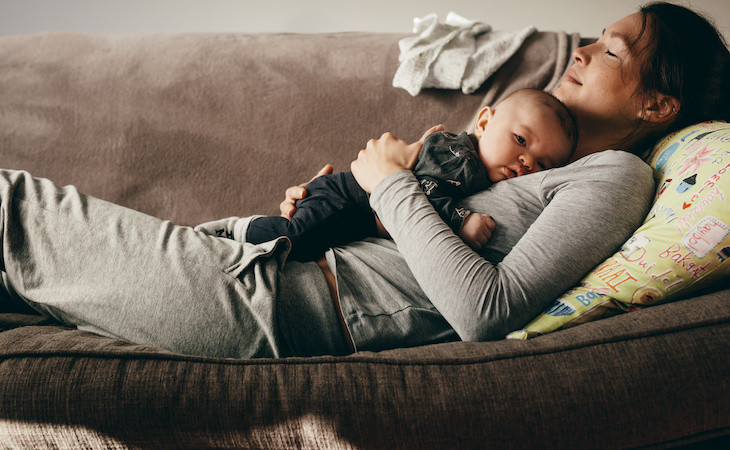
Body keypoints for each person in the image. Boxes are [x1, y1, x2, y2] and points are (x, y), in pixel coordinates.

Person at [1, 2, 728, 359]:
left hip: (275, 306)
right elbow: (412, 231)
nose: (583, 49)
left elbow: (485, 310)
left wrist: (387, 185)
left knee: (10, 204)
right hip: (264, 264)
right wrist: (336, 204)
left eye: (611, 50)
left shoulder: (616, 178)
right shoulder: (535, 155)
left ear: (656, 105)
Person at [195, 89, 577, 261]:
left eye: (543, 164)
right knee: (296, 239)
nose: (527, 162)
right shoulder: (460, 157)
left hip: (358, 211)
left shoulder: (479, 171)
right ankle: (231, 232)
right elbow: (422, 192)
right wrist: (461, 220)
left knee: (304, 252)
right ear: (483, 120)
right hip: (349, 198)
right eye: (520, 139)